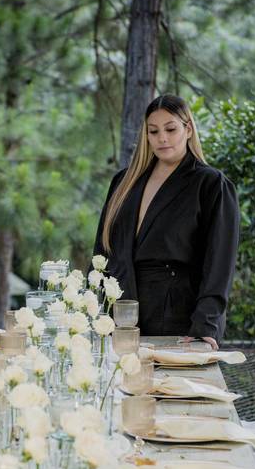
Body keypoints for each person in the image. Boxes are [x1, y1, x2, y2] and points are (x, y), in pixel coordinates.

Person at [93, 94, 239, 347]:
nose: (162, 138)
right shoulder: (124, 182)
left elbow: (220, 263)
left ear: (188, 129)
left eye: (171, 129)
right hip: (121, 315)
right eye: (154, 131)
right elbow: (102, 253)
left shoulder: (211, 184)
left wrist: (206, 324)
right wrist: (95, 310)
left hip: (178, 320)